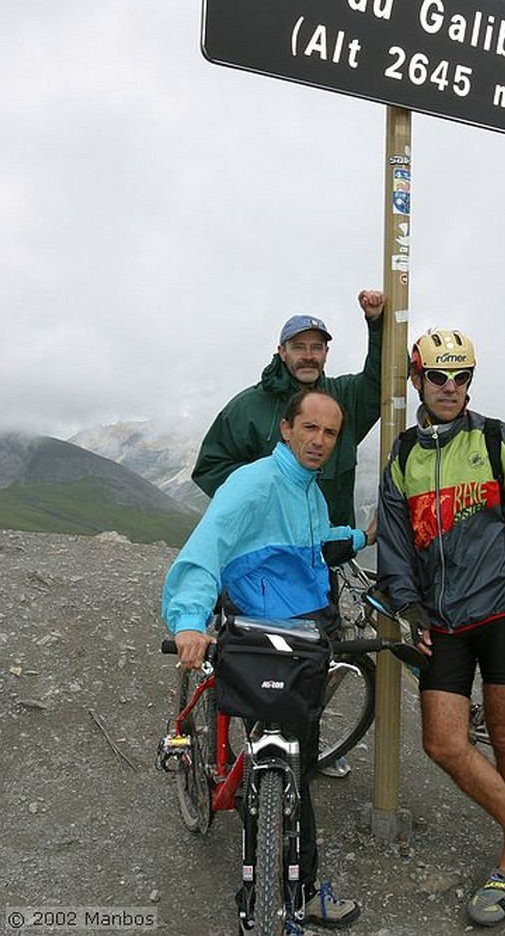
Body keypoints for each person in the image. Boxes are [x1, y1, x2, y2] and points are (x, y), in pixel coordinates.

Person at [163, 390, 375, 934]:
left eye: (329, 433)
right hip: (261, 633)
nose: (319, 441)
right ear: (286, 428)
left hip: (308, 628)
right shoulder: (253, 483)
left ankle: (286, 874)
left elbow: (312, 544)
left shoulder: (310, 491)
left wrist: (357, 537)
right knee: (286, 763)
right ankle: (282, 893)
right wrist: (188, 619)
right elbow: (206, 547)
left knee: (295, 756)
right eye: (310, 428)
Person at [376, 328, 505, 930]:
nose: (451, 388)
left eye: (462, 378)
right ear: (418, 380)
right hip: (443, 624)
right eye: (439, 377)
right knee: (444, 744)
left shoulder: (494, 438)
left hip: (500, 615)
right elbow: (397, 548)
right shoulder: (403, 455)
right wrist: (407, 606)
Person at [191, 289, 385, 528]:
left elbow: (384, 378)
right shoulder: (248, 407)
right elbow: (210, 467)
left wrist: (377, 324)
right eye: (298, 347)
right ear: (282, 352)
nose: (308, 356)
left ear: (326, 353)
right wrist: (266, 498)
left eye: (316, 348)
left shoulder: (345, 398)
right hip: (269, 552)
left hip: (332, 554)